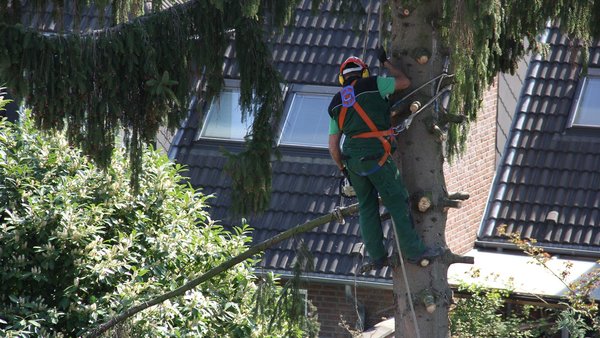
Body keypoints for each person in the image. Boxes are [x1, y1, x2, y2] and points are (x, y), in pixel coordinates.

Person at [327, 47, 440, 269]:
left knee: (367, 207)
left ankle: (377, 257)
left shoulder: (336, 103)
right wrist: (386, 61)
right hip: (376, 155)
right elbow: (404, 82)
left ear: (342, 78)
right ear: (364, 73)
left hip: (352, 161)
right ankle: (415, 252)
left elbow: (332, 146)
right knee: (397, 202)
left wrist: (343, 169)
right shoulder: (373, 84)